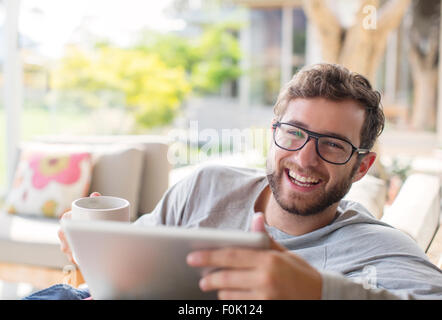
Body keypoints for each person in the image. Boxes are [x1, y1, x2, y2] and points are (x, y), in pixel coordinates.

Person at [48, 63, 442, 300]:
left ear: (361, 167)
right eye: (294, 133)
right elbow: (126, 270)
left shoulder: (375, 248)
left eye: (334, 145)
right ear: (273, 133)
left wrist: (316, 291)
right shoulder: (204, 186)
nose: (305, 158)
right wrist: (90, 247)